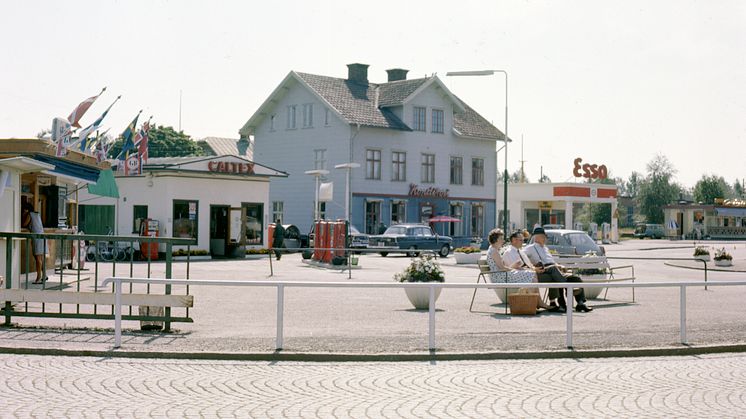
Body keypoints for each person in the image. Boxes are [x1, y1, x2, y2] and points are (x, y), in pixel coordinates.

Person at [524, 227, 593, 312]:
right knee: (554, 272)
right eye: (543, 236)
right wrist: (532, 266)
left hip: (554, 269)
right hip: (543, 270)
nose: (545, 239)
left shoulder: (545, 248)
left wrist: (560, 266)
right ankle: (568, 289)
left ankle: (580, 303)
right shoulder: (530, 248)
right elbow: (523, 259)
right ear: (536, 237)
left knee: (575, 278)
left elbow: (552, 261)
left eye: (545, 237)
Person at [487, 229, 554, 311]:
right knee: (531, 274)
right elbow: (502, 268)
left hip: (501, 274)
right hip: (500, 276)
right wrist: (513, 268)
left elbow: (502, 267)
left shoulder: (493, 249)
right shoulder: (494, 251)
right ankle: (535, 302)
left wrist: (515, 268)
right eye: (501, 239)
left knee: (531, 274)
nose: (503, 241)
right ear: (496, 239)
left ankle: (535, 302)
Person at [21, 203, 47, 284]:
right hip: (42, 236)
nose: (23, 211)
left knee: (38, 259)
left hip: (36, 237)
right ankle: (44, 275)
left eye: (24, 209)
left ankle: (38, 278)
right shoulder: (37, 214)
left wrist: (23, 215)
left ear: (27, 209)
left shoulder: (30, 214)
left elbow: (24, 224)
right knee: (40, 258)